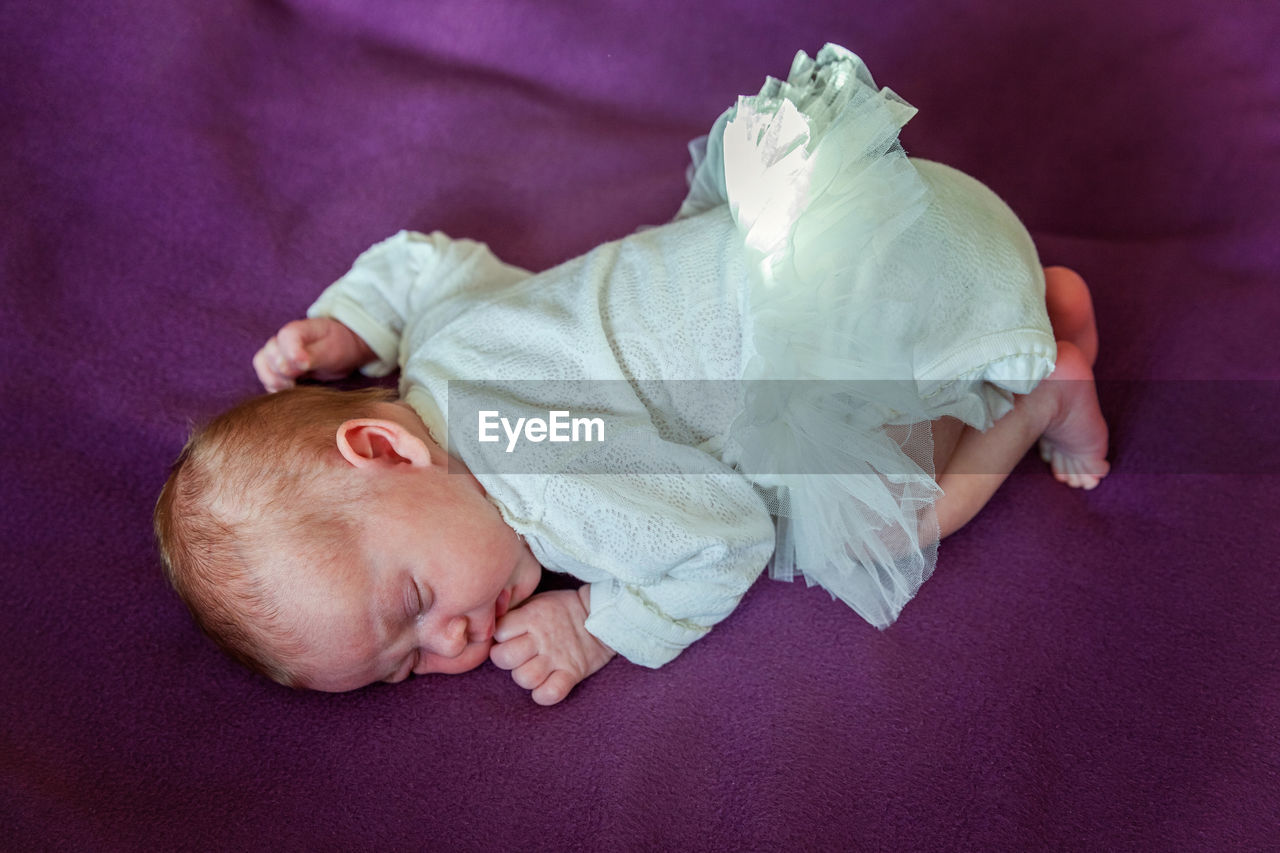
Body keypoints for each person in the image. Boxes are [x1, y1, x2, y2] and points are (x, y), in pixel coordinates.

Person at [154, 44, 1109, 705]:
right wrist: (351, 320)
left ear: (383, 447)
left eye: (412, 603)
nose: (450, 640)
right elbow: (423, 260)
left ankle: (1038, 394)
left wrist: (597, 623)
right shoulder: (440, 351)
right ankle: (1031, 308)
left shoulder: (541, 474)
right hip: (893, 211)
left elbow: (721, 537)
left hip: (889, 301)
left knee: (894, 520)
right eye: (405, 666)